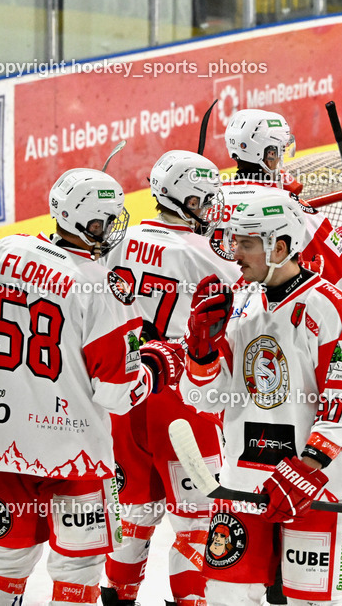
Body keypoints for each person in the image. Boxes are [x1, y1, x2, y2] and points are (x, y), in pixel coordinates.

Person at [0, 169, 175, 606]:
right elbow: (119, 394)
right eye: (105, 221)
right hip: (77, 458)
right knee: (76, 573)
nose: (112, 228)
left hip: (5, 449)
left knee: (2, 568)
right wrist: (157, 365)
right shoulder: (102, 287)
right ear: (89, 224)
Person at [181, 189, 342, 606]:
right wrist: (200, 354)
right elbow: (205, 399)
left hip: (317, 486)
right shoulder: (238, 306)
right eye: (235, 242)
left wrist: (307, 468)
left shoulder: (331, 308)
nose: (235, 253)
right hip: (245, 481)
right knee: (225, 597)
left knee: (312, 602)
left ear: (280, 246)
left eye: (246, 243)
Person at [101, 151, 241, 606]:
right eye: (203, 200)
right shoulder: (212, 260)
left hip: (124, 396)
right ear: (182, 199)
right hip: (184, 401)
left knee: (134, 513)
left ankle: (118, 597)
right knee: (198, 523)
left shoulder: (115, 243)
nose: (211, 208)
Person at [214, 108, 342, 294]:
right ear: (269, 155)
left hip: (210, 312)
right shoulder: (288, 205)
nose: (282, 157)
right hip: (269, 315)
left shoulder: (210, 200)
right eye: (281, 150)